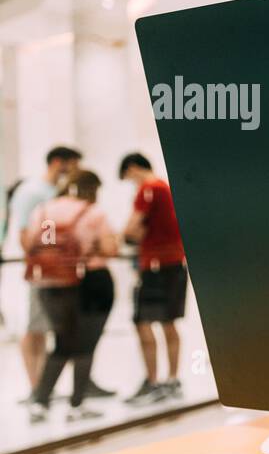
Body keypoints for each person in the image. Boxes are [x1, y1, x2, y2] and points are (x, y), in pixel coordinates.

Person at [21, 170, 118, 424]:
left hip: (51, 284)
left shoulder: (42, 211)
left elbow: (32, 243)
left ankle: (40, 402)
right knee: (86, 343)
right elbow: (110, 248)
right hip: (89, 282)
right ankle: (77, 404)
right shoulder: (92, 212)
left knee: (62, 342)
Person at [7, 146, 97, 402]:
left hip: (61, 274)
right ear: (58, 162)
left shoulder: (51, 192)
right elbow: (25, 234)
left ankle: (54, 386)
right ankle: (36, 388)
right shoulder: (32, 192)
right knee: (36, 328)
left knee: (56, 329)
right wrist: (44, 263)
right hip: (44, 273)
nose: (75, 171)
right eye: (72, 165)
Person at [120, 153, 188, 404]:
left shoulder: (149, 189)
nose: (132, 183)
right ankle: (171, 380)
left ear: (134, 168)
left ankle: (153, 382)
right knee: (169, 322)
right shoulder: (167, 188)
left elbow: (131, 230)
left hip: (156, 266)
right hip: (174, 263)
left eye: (128, 177)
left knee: (143, 321)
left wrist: (126, 237)